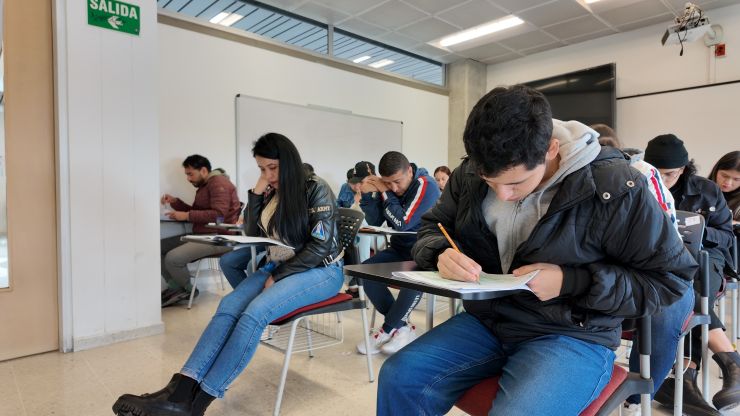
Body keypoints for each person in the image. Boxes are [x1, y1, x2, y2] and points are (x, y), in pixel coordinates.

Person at [377, 85, 695, 416]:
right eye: (490, 182)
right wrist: (440, 252)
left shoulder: (615, 187)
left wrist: (573, 282)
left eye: (515, 183)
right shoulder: (469, 173)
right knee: (399, 377)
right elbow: (431, 228)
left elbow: (669, 279)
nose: (503, 195)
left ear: (551, 149)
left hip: (573, 333)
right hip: (488, 321)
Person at [112, 133, 344, 416]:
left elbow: (319, 247)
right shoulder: (273, 191)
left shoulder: (316, 188)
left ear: (289, 162)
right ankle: (180, 392)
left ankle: (197, 405)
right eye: (262, 169)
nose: (268, 175)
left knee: (254, 314)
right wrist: (257, 193)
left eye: (273, 168)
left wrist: (278, 275)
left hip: (322, 269)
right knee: (228, 305)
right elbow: (252, 233)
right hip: (280, 265)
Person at [592, 125, 690, 415]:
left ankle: (635, 400)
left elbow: (667, 249)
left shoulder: (643, 175)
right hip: (608, 273)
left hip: (661, 272)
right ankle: (590, 388)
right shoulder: (574, 181)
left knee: (662, 313)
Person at [643, 135, 740, 414]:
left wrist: (695, 230)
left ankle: (684, 375)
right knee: (680, 285)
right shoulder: (640, 185)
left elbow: (726, 237)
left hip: (706, 257)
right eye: (657, 173)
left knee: (692, 282)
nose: (663, 180)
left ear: (683, 169)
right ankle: (730, 361)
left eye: (670, 174)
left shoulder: (706, 190)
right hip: (661, 261)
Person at [354, 153, 441, 355]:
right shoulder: (391, 187)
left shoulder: (425, 184)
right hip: (400, 249)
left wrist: (384, 191)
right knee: (365, 271)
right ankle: (401, 328)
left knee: (413, 279)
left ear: (409, 171)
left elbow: (402, 223)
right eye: (387, 183)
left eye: (397, 182)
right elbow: (375, 221)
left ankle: (387, 330)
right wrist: (368, 196)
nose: (394, 188)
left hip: (426, 253)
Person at [160, 155, 241, 307]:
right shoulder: (206, 186)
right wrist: (176, 203)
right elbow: (199, 212)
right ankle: (176, 286)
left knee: (173, 258)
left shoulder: (219, 183)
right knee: (159, 247)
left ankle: (187, 289)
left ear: (203, 170)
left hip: (220, 237)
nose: (188, 179)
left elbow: (219, 215)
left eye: (190, 174)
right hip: (202, 235)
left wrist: (187, 215)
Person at [709, 151, 740, 228]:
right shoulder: (699, 190)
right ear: (716, 171)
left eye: (736, 179)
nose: (728, 183)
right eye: (724, 176)